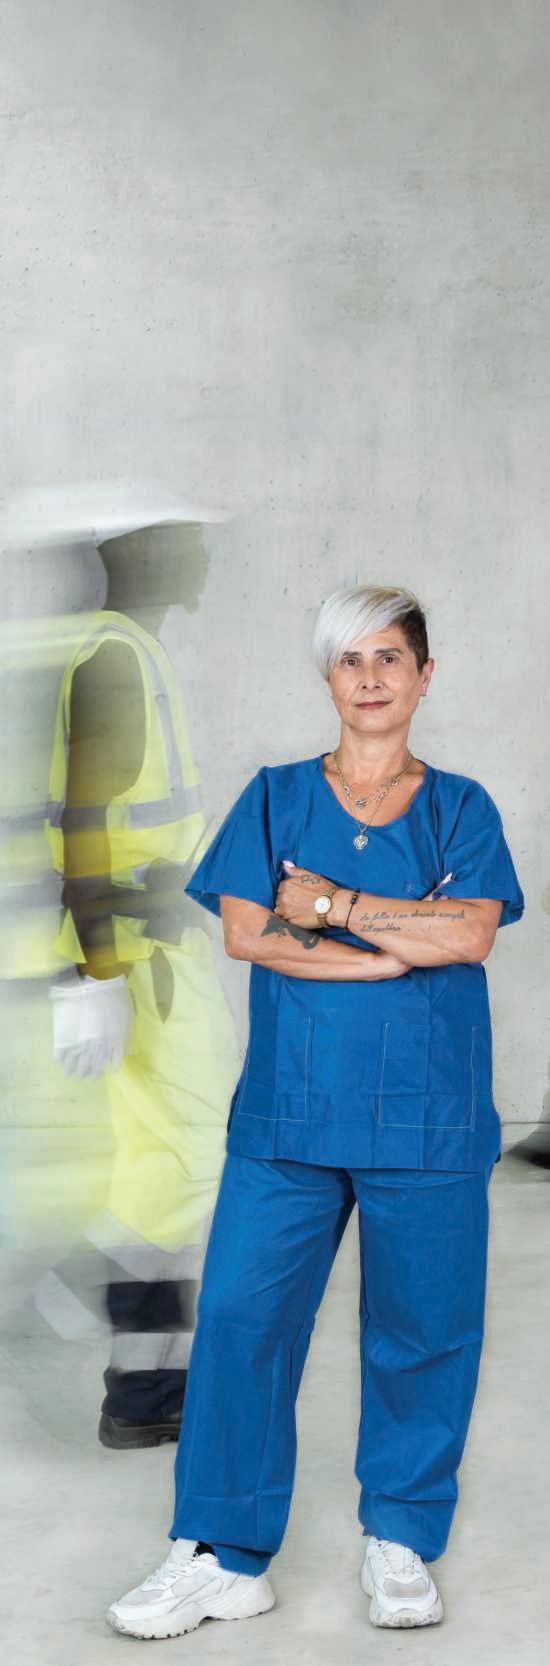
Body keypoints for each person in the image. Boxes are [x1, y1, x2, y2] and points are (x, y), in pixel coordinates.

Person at [108, 582, 525, 1634]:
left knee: (422, 1330)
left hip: (427, 1116)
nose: (371, 677)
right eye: (351, 659)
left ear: (424, 677)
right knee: (241, 1321)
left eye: (391, 658)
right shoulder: (275, 796)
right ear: (328, 677)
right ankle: (221, 1553)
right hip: (289, 1116)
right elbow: (248, 933)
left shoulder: (462, 807)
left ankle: (400, 1538)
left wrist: (331, 906)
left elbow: (469, 933)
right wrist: (385, 948)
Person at [37, 519, 240, 1446]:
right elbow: (82, 821)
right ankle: (71, 1283)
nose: (205, 555)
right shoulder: (116, 656)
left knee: (154, 1165)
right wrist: (99, 977)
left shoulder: (122, 649)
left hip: (148, 946)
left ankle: (144, 1391)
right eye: (188, 541)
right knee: (192, 1159)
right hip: (141, 957)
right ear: (147, 554)